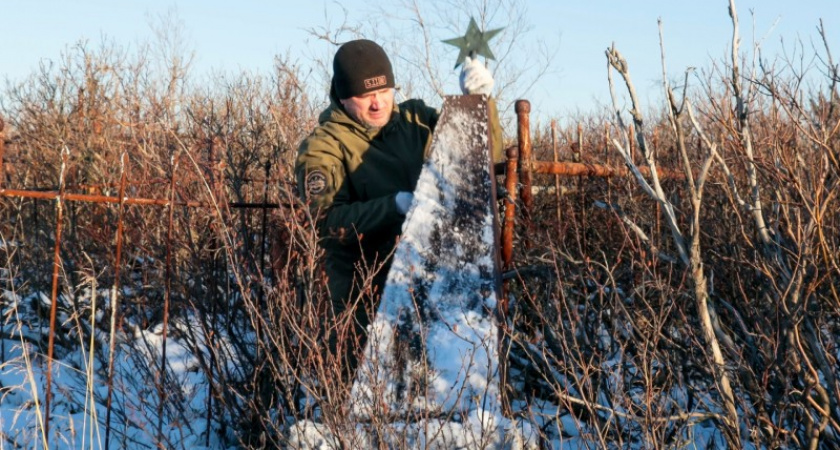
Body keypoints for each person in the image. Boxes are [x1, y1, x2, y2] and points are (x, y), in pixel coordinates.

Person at [295, 39, 499, 388]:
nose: (378, 103)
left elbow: (479, 163)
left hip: (432, 282)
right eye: (364, 95)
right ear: (343, 97)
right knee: (368, 399)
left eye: (385, 90)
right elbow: (327, 222)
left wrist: (479, 103)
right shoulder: (323, 146)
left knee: (442, 392)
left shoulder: (416, 119)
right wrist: (395, 206)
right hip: (362, 295)